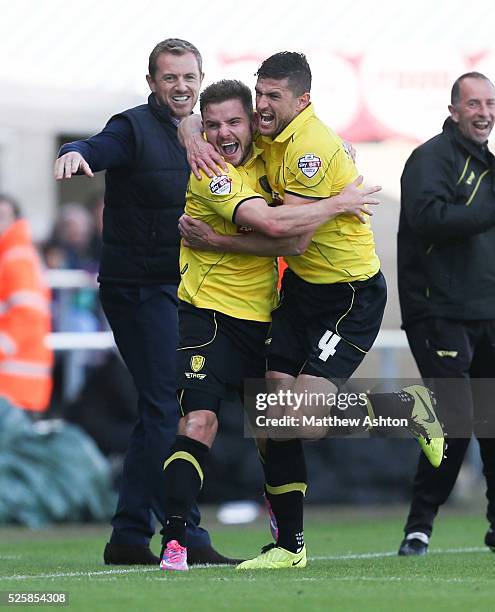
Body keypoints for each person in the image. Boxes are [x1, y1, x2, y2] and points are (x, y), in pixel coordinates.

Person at [180, 52, 445, 570]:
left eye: (272, 97)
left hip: (347, 296)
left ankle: (410, 409)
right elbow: (205, 117)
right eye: (259, 95)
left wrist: (216, 239)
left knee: (296, 417)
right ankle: (289, 548)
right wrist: (192, 129)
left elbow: (291, 237)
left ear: (302, 100)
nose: (260, 107)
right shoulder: (267, 135)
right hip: (301, 294)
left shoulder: (311, 146)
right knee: (270, 416)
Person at [159, 78, 381, 571]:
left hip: (268, 314)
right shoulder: (212, 174)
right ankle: (175, 542)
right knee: (200, 421)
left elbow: (294, 239)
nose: (222, 133)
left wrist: (191, 128)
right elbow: (281, 231)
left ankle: (291, 543)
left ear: (253, 124)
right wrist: (340, 203)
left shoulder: (271, 151)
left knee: (281, 424)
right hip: (209, 317)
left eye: (234, 121)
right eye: (213, 125)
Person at [53, 38, 236, 566]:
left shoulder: (209, 134)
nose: (180, 86)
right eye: (170, 77)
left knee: (163, 408)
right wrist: (77, 153)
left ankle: (130, 536)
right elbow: (99, 145)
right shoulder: (131, 126)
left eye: (188, 78)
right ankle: (186, 536)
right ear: (153, 81)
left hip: (184, 289)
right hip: (137, 289)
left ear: (200, 82)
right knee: (167, 404)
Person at [397, 71, 495, 556]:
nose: (484, 113)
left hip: (487, 313)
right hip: (440, 313)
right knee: (452, 421)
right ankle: (420, 526)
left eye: (490, 104)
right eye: (474, 104)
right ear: (454, 109)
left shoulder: (487, 165)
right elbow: (428, 218)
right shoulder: (430, 159)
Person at [0, 194, 53, 414]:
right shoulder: (13, 256)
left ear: (15, 221)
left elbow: (26, 316)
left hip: (13, 387)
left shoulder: (17, 258)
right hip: (16, 385)